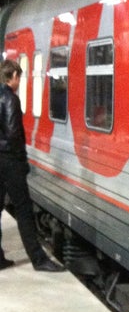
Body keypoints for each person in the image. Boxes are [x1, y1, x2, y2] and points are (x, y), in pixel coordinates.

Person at [0, 59, 65, 272]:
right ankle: (38, 259)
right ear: (14, 77)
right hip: (10, 161)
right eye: (19, 77)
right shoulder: (10, 99)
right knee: (24, 209)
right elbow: (12, 133)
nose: (19, 81)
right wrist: (22, 160)